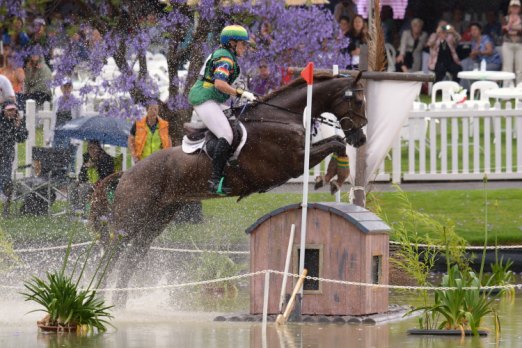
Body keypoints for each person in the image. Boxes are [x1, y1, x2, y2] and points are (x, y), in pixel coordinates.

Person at [188, 25, 256, 195]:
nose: (244, 47)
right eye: (242, 43)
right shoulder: (225, 59)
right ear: (232, 43)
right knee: (226, 135)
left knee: (235, 123)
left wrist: (244, 95)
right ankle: (214, 180)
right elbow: (219, 84)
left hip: (212, 99)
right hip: (204, 99)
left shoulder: (227, 56)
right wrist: (239, 93)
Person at [46, 78, 84, 168]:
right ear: (61, 88)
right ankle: (58, 180)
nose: (67, 89)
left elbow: (80, 119)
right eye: (65, 86)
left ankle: (70, 179)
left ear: (71, 88)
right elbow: (54, 120)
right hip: (57, 134)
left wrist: (76, 137)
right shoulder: (56, 101)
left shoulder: (76, 102)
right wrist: (49, 137)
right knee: (57, 161)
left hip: (70, 135)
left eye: (69, 86)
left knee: (68, 162)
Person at [72, 140, 115, 218]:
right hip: (88, 182)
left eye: (94, 148)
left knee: (83, 188)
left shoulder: (106, 159)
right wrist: (85, 167)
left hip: (100, 184)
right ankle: (75, 211)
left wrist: (97, 164)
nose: (92, 151)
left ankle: (83, 214)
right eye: (89, 148)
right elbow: (81, 177)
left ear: (99, 149)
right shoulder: (87, 158)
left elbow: (106, 175)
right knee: (72, 186)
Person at [0, 100, 28, 217]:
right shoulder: (1, 121)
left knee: (6, 181)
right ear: (4, 110)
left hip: (7, 155)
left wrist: (17, 125)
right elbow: (5, 136)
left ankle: (6, 208)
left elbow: (22, 138)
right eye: (9, 110)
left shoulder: (17, 122)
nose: (12, 112)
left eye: (13, 110)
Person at [501, 0, 522, 84]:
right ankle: (506, 93)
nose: (515, 8)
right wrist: (512, 24)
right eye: (513, 6)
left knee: (520, 69)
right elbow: (503, 31)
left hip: (520, 45)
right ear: (510, 8)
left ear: (520, 8)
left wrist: (511, 30)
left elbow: (508, 30)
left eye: (517, 6)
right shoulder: (505, 18)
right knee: (507, 69)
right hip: (508, 44)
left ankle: (520, 92)